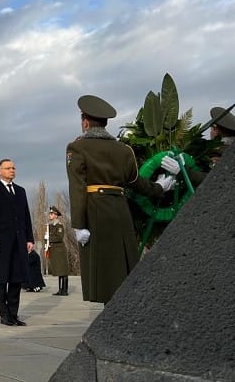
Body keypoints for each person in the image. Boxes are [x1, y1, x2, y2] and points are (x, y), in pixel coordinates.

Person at [67, 95, 171, 304]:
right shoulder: (124, 150)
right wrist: (160, 187)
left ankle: (109, 322)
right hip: (120, 211)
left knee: (103, 273)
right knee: (119, 270)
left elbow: (77, 186)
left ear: (85, 121)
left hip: (96, 211)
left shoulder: (77, 148)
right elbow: (135, 181)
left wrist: (78, 224)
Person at [0, 158, 34, 326]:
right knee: (1, 278)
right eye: (8, 168)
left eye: (13, 168)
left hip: (19, 242)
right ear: (0, 171)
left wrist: (29, 239)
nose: (12, 170)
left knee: (16, 279)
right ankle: (4, 315)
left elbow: (26, 216)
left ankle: (13, 314)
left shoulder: (20, 191)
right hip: (1, 242)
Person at [161, 105, 234, 187]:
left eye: (211, 129)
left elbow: (214, 180)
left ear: (216, 130)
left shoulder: (217, 152)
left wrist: (183, 171)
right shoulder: (228, 150)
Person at [47, 206, 69, 296]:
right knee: (59, 271)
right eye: (50, 213)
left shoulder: (59, 226)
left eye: (52, 214)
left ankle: (64, 290)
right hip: (54, 251)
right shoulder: (50, 226)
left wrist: (49, 239)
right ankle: (60, 290)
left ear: (56, 215)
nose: (50, 215)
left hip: (60, 251)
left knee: (63, 271)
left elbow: (59, 237)